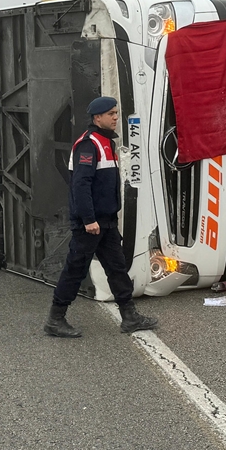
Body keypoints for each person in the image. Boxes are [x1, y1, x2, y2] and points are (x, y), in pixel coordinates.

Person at [46, 96, 159, 339]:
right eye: (111, 114)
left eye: (116, 113)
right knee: (75, 270)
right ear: (97, 118)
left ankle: (129, 317)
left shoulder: (106, 143)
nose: (116, 117)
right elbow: (80, 185)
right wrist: (88, 219)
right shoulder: (89, 145)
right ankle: (55, 319)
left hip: (105, 222)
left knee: (117, 268)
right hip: (91, 224)